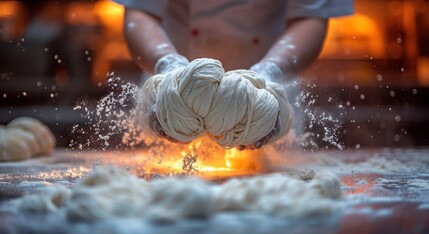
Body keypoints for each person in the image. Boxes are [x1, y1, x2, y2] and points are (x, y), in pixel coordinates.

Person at [116, 0, 354, 149]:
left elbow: (311, 18)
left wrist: (270, 73)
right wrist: (168, 67)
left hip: (265, 94)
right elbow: (140, 12)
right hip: (174, 90)